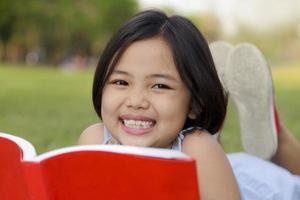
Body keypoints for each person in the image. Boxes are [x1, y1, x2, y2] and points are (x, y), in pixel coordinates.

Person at [79, 10, 300, 199]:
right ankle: (217, 119)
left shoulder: (197, 149)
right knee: (210, 159)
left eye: (159, 86)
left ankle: (276, 134)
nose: (136, 101)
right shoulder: (94, 141)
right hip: (218, 172)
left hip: (261, 188)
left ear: (195, 104)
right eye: (121, 82)